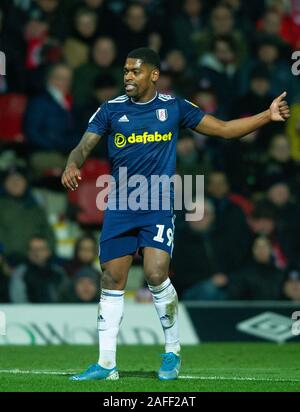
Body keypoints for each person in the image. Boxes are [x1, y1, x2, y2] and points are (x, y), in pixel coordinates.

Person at [61, 47, 290, 381]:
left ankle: (172, 351)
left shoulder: (175, 107)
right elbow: (84, 146)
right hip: (121, 206)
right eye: (125, 71)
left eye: (135, 71)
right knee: (111, 278)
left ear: (153, 74)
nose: (128, 77)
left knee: (155, 273)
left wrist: (266, 117)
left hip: (156, 204)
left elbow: (225, 129)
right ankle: (106, 363)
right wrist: (72, 163)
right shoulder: (110, 111)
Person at [9, 235, 66, 303]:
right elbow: (18, 301)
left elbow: (65, 297)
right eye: (32, 249)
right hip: (29, 312)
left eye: (41, 249)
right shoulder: (20, 273)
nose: (36, 253)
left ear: (48, 252)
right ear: (27, 252)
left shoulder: (58, 271)